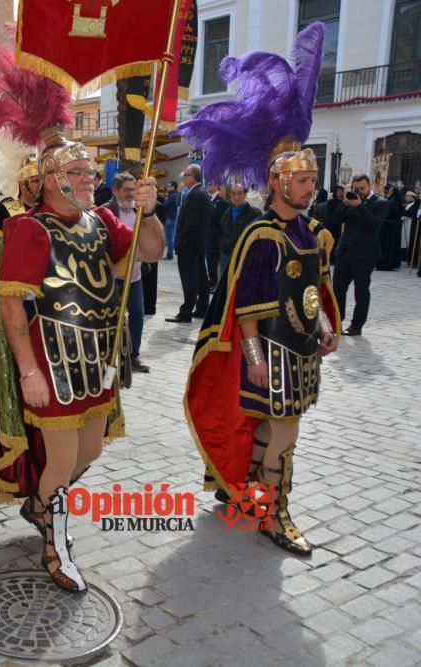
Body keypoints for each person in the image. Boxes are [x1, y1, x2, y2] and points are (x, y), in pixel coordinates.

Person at [179, 21, 339, 556]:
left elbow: (312, 292)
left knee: (274, 434)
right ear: (276, 181)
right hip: (268, 354)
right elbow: (246, 309)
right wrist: (252, 360)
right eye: (301, 179)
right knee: (284, 438)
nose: (309, 187)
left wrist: (324, 327)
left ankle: (249, 500)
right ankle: (274, 513)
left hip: (300, 352)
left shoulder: (311, 234)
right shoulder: (261, 235)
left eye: (312, 179)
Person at [0, 130, 164, 590]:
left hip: (98, 359)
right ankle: (57, 546)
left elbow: (151, 252)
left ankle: (41, 505)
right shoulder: (29, 228)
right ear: (51, 179)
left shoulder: (103, 220)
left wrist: (148, 213)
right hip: (52, 360)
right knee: (61, 459)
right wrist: (28, 370)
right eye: (77, 172)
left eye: (90, 171)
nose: (89, 178)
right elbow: (12, 304)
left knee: (90, 450)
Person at [330, 173, 389, 335]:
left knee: (361, 290)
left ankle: (356, 326)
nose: (359, 191)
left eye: (362, 188)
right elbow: (335, 220)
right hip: (345, 252)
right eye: (356, 188)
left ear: (369, 186)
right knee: (338, 289)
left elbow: (374, 224)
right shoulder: (349, 201)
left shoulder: (381, 203)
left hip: (365, 255)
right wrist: (344, 204)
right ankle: (336, 321)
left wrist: (359, 206)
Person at [104, 172, 151, 373]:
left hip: (136, 275)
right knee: (115, 317)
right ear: (115, 190)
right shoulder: (106, 211)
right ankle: (112, 355)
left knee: (138, 314)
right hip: (113, 277)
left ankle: (133, 356)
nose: (131, 194)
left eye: (133, 189)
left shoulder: (140, 210)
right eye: (127, 190)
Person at [166, 164, 213, 323]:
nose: (183, 178)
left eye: (185, 175)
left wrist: (180, 242)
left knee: (189, 279)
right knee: (201, 278)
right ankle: (202, 308)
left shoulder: (194, 195)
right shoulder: (203, 193)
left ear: (193, 177)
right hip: (198, 245)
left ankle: (186, 311)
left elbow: (190, 225)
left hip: (190, 246)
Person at [217, 183, 262, 276]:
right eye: (233, 193)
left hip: (245, 258)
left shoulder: (254, 214)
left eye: (239, 193)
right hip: (226, 255)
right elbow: (220, 233)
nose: (236, 197)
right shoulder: (226, 213)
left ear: (245, 195)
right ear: (230, 195)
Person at [207, 183, 230, 289]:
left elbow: (217, 219)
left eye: (221, 189)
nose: (220, 191)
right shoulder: (219, 201)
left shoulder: (223, 203)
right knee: (214, 260)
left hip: (219, 236)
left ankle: (216, 283)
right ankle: (214, 282)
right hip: (214, 234)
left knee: (217, 260)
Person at [162, 181, 180, 259]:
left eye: (169, 186)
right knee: (171, 237)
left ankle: (169, 255)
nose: (167, 187)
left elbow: (165, 205)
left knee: (170, 237)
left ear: (173, 187)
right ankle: (170, 254)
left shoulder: (173, 196)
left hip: (170, 218)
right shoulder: (175, 195)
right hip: (172, 218)